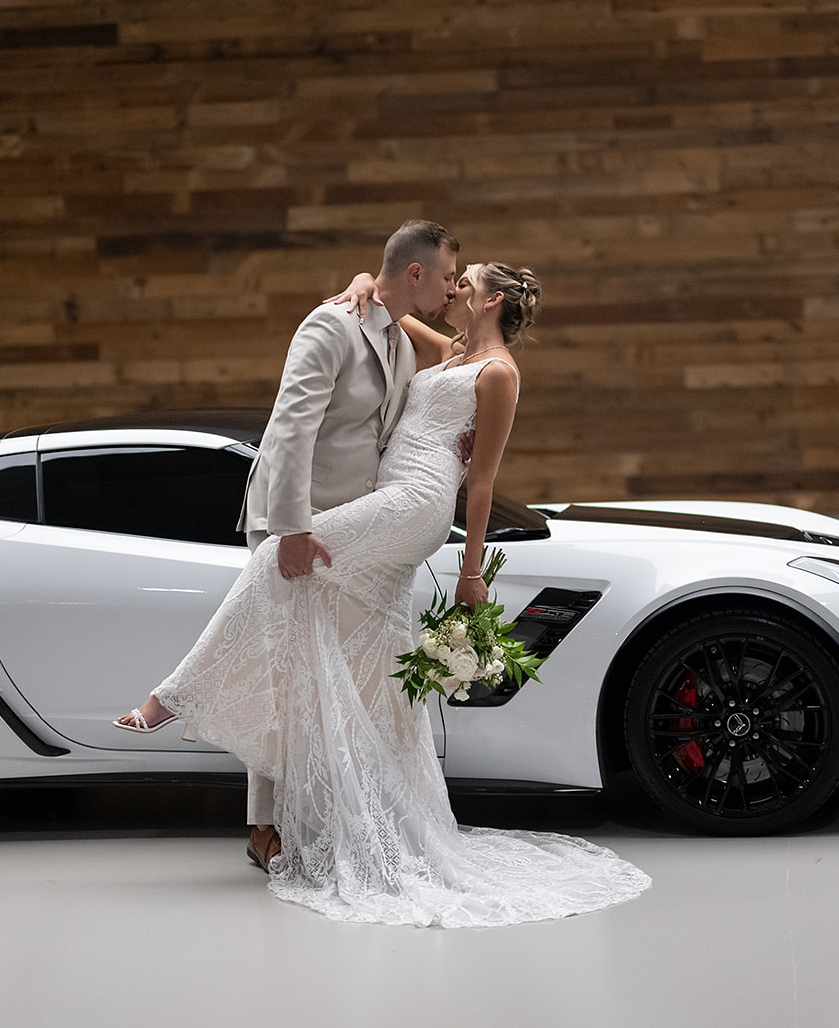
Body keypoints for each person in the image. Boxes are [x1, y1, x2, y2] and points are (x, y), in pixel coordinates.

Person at [119, 261, 650, 925]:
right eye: (452, 278)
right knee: (357, 640)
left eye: (466, 281)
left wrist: (472, 569)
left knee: (277, 562)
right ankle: (356, 819)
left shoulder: (499, 373)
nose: (454, 288)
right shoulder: (450, 350)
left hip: (417, 501)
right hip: (390, 495)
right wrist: (367, 279)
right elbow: (392, 308)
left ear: (487, 301)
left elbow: (482, 480)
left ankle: (173, 695)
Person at [116, 219, 459, 874]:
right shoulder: (329, 325)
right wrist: (293, 525)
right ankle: (260, 818)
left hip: (350, 524)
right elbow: (293, 427)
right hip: (294, 515)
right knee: (282, 662)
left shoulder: (401, 339)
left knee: (312, 668)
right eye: (445, 276)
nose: (450, 289)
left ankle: (285, 820)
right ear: (416, 273)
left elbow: (453, 365)